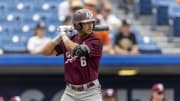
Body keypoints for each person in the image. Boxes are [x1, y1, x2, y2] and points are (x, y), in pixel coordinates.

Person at [41, 9, 103, 101]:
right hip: (70, 92)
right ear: (78, 25)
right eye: (86, 23)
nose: (90, 25)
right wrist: (59, 36)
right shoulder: (70, 40)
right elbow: (45, 52)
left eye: (91, 22)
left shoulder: (95, 42)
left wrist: (64, 35)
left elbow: (77, 50)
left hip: (90, 92)